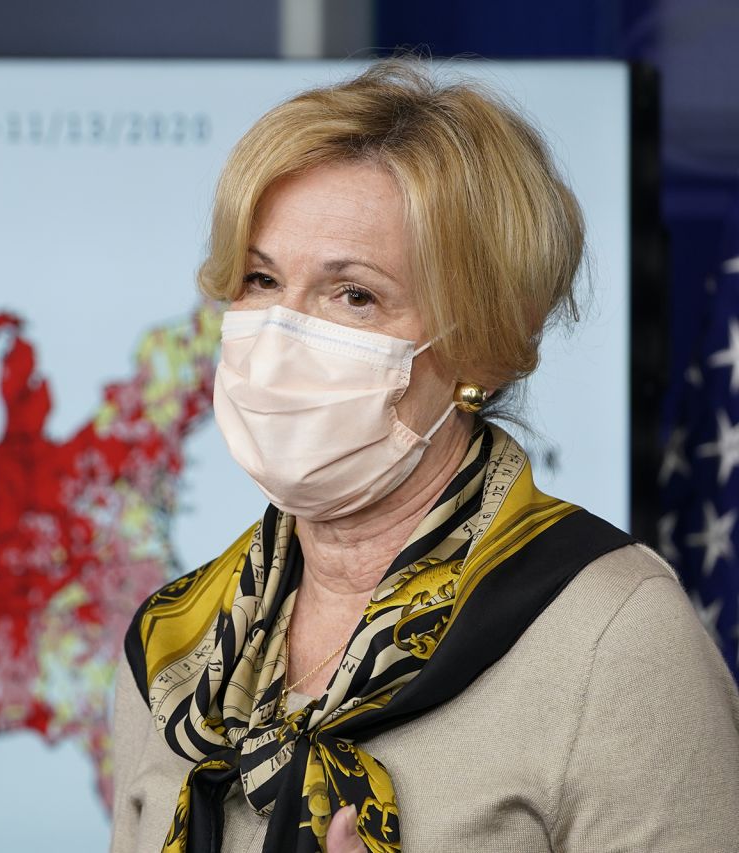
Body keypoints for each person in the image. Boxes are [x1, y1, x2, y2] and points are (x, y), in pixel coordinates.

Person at [108, 60, 739, 853]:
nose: (278, 338)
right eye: (261, 279)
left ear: (476, 342)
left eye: (354, 295)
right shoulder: (172, 649)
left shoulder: (614, 634)